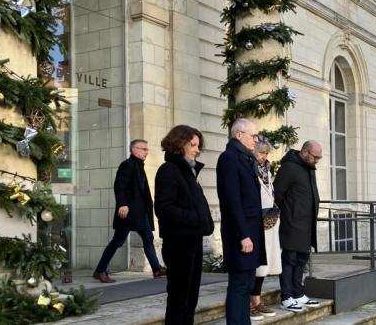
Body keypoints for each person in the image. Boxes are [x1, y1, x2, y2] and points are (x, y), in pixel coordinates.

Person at [155, 125, 214, 325]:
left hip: (192, 241)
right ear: (180, 144)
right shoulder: (169, 170)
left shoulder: (188, 171)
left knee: (190, 299)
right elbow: (163, 208)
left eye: (198, 145)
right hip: (179, 244)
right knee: (179, 300)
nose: (197, 150)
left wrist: (204, 221)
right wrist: (196, 219)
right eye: (193, 145)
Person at [93, 139, 167, 283]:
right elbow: (119, 186)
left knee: (147, 238)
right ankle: (100, 270)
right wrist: (122, 204)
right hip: (128, 211)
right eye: (144, 149)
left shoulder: (139, 166)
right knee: (118, 240)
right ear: (134, 150)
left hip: (140, 212)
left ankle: (157, 269)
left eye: (147, 149)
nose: (147, 152)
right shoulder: (127, 165)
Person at [217, 118, 267, 324]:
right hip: (241, 234)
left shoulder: (245, 158)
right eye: (253, 136)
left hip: (251, 231)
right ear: (239, 135)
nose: (256, 140)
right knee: (239, 285)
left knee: (246, 284)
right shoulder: (229, 158)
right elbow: (232, 201)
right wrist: (243, 235)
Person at [274, 140, 322, 312]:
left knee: (301, 259)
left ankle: (298, 293)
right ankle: (286, 296)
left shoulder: (309, 168)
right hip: (292, 222)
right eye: (315, 157)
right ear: (304, 152)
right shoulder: (289, 167)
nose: (317, 160)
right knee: (289, 259)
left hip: (307, 223)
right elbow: (277, 193)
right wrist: (289, 213)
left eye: (319, 157)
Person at [249, 137, 281, 321]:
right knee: (253, 264)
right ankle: (250, 301)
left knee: (264, 263)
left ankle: (257, 300)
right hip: (255, 221)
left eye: (266, 153)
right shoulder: (249, 168)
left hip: (269, 221)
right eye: (261, 152)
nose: (264, 156)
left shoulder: (267, 170)